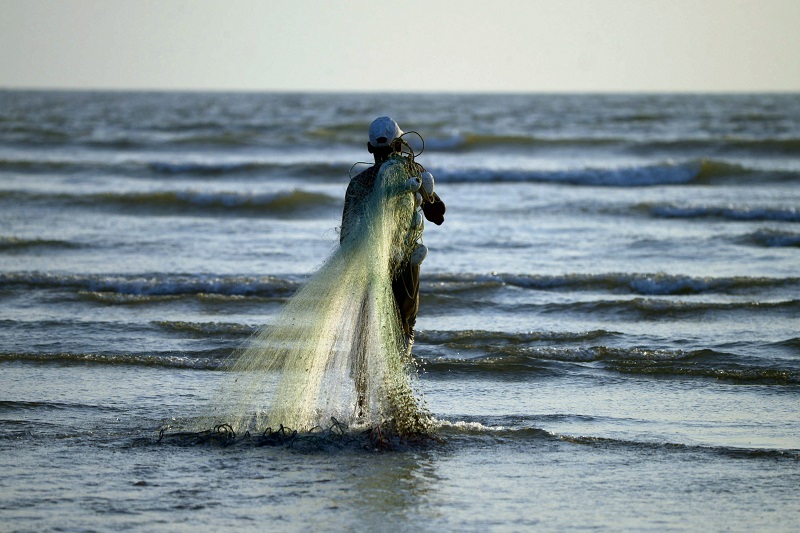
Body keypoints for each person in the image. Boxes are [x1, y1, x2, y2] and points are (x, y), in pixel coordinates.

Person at [340, 117, 445, 354]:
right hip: (405, 268)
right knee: (404, 328)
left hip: (368, 268)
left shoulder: (358, 184)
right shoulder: (413, 173)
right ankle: (396, 384)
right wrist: (422, 188)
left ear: (369, 148)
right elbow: (438, 215)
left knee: (364, 333)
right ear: (399, 145)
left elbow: (345, 239)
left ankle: (362, 390)